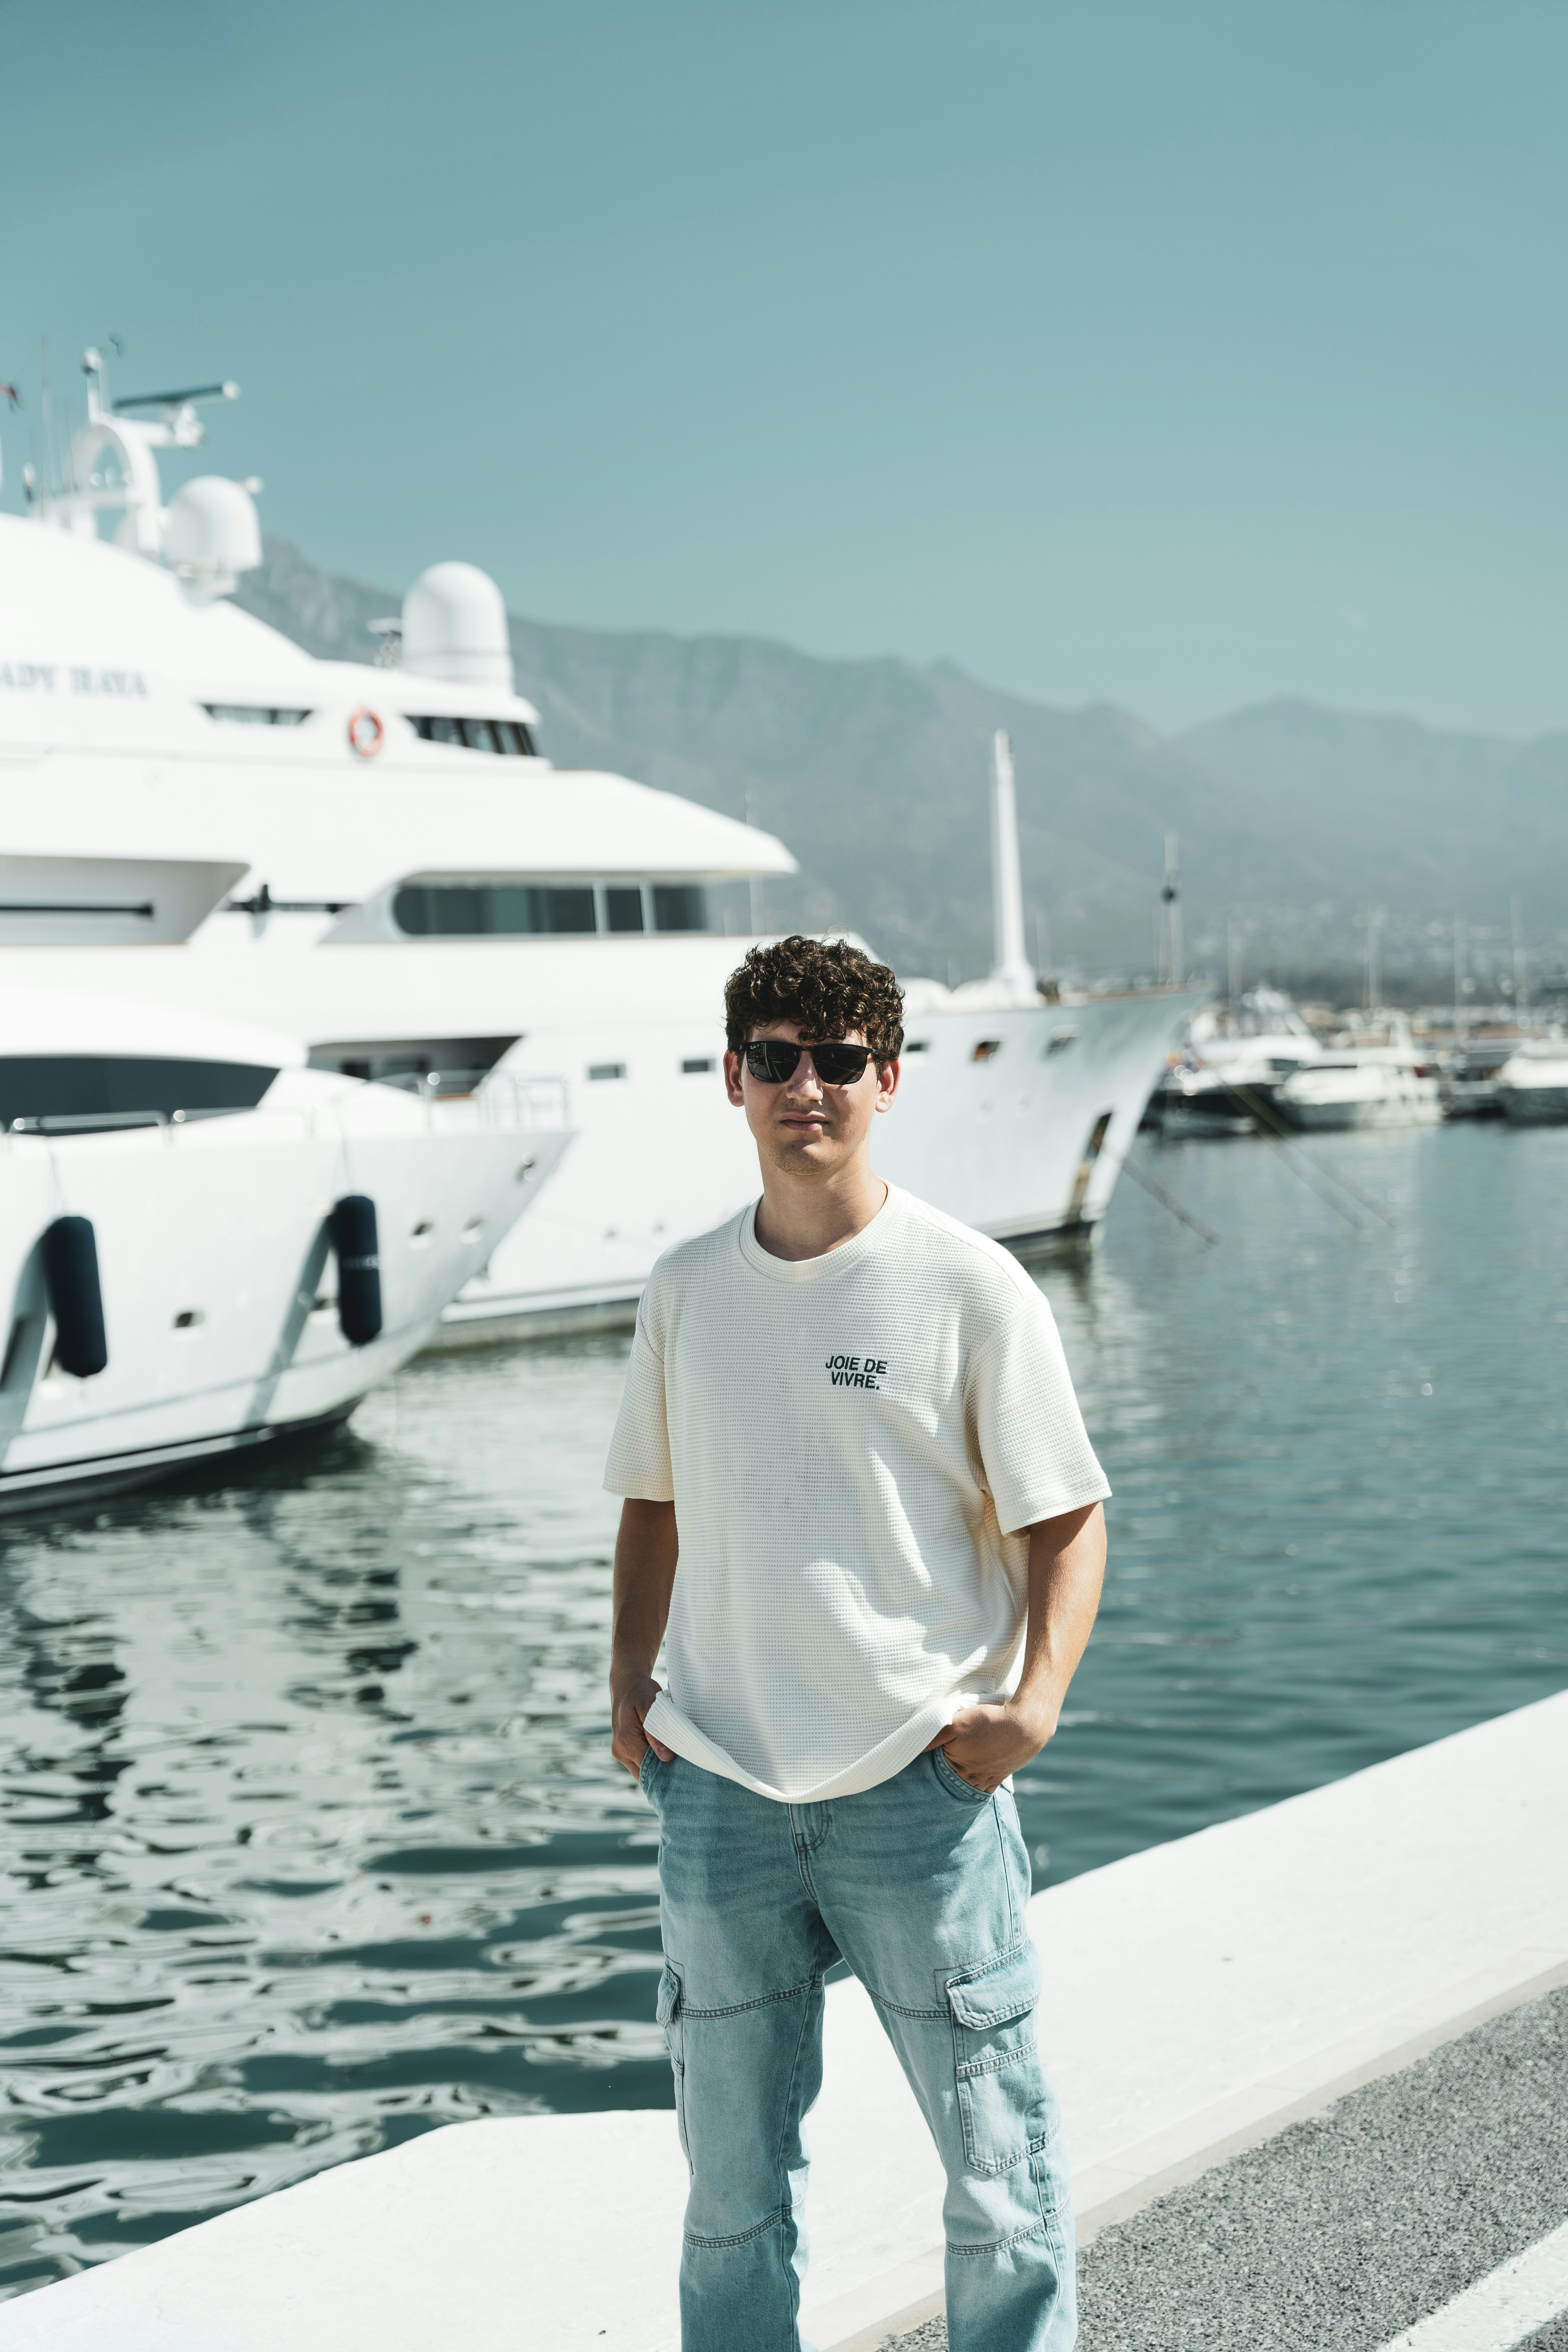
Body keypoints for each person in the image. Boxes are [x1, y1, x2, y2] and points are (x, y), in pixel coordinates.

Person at [605, 934, 1109, 2352]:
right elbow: (654, 1499)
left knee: (998, 2181)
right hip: (719, 1789)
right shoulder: (686, 1289)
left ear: (888, 1080)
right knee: (728, 2199)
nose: (805, 1088)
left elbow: (1068, 1521)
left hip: (918, 1789)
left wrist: (1037, 1705)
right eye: (776, 1060)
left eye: (836, 1063)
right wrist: (626, 1682)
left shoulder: (969, 1287)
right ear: (734, 1079)